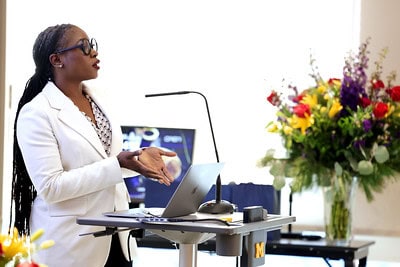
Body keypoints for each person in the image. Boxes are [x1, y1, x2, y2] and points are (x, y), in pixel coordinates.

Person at [10, 23, 177, 267]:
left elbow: (103, 161)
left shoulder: (100, 100)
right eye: (84, 47)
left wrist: (138, 160)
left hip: (118, 238)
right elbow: (51, 187)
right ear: (57, 60)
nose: (94, 52)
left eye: (93, 45)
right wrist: (117, 164)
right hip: (72, 245)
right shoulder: (37, 113)